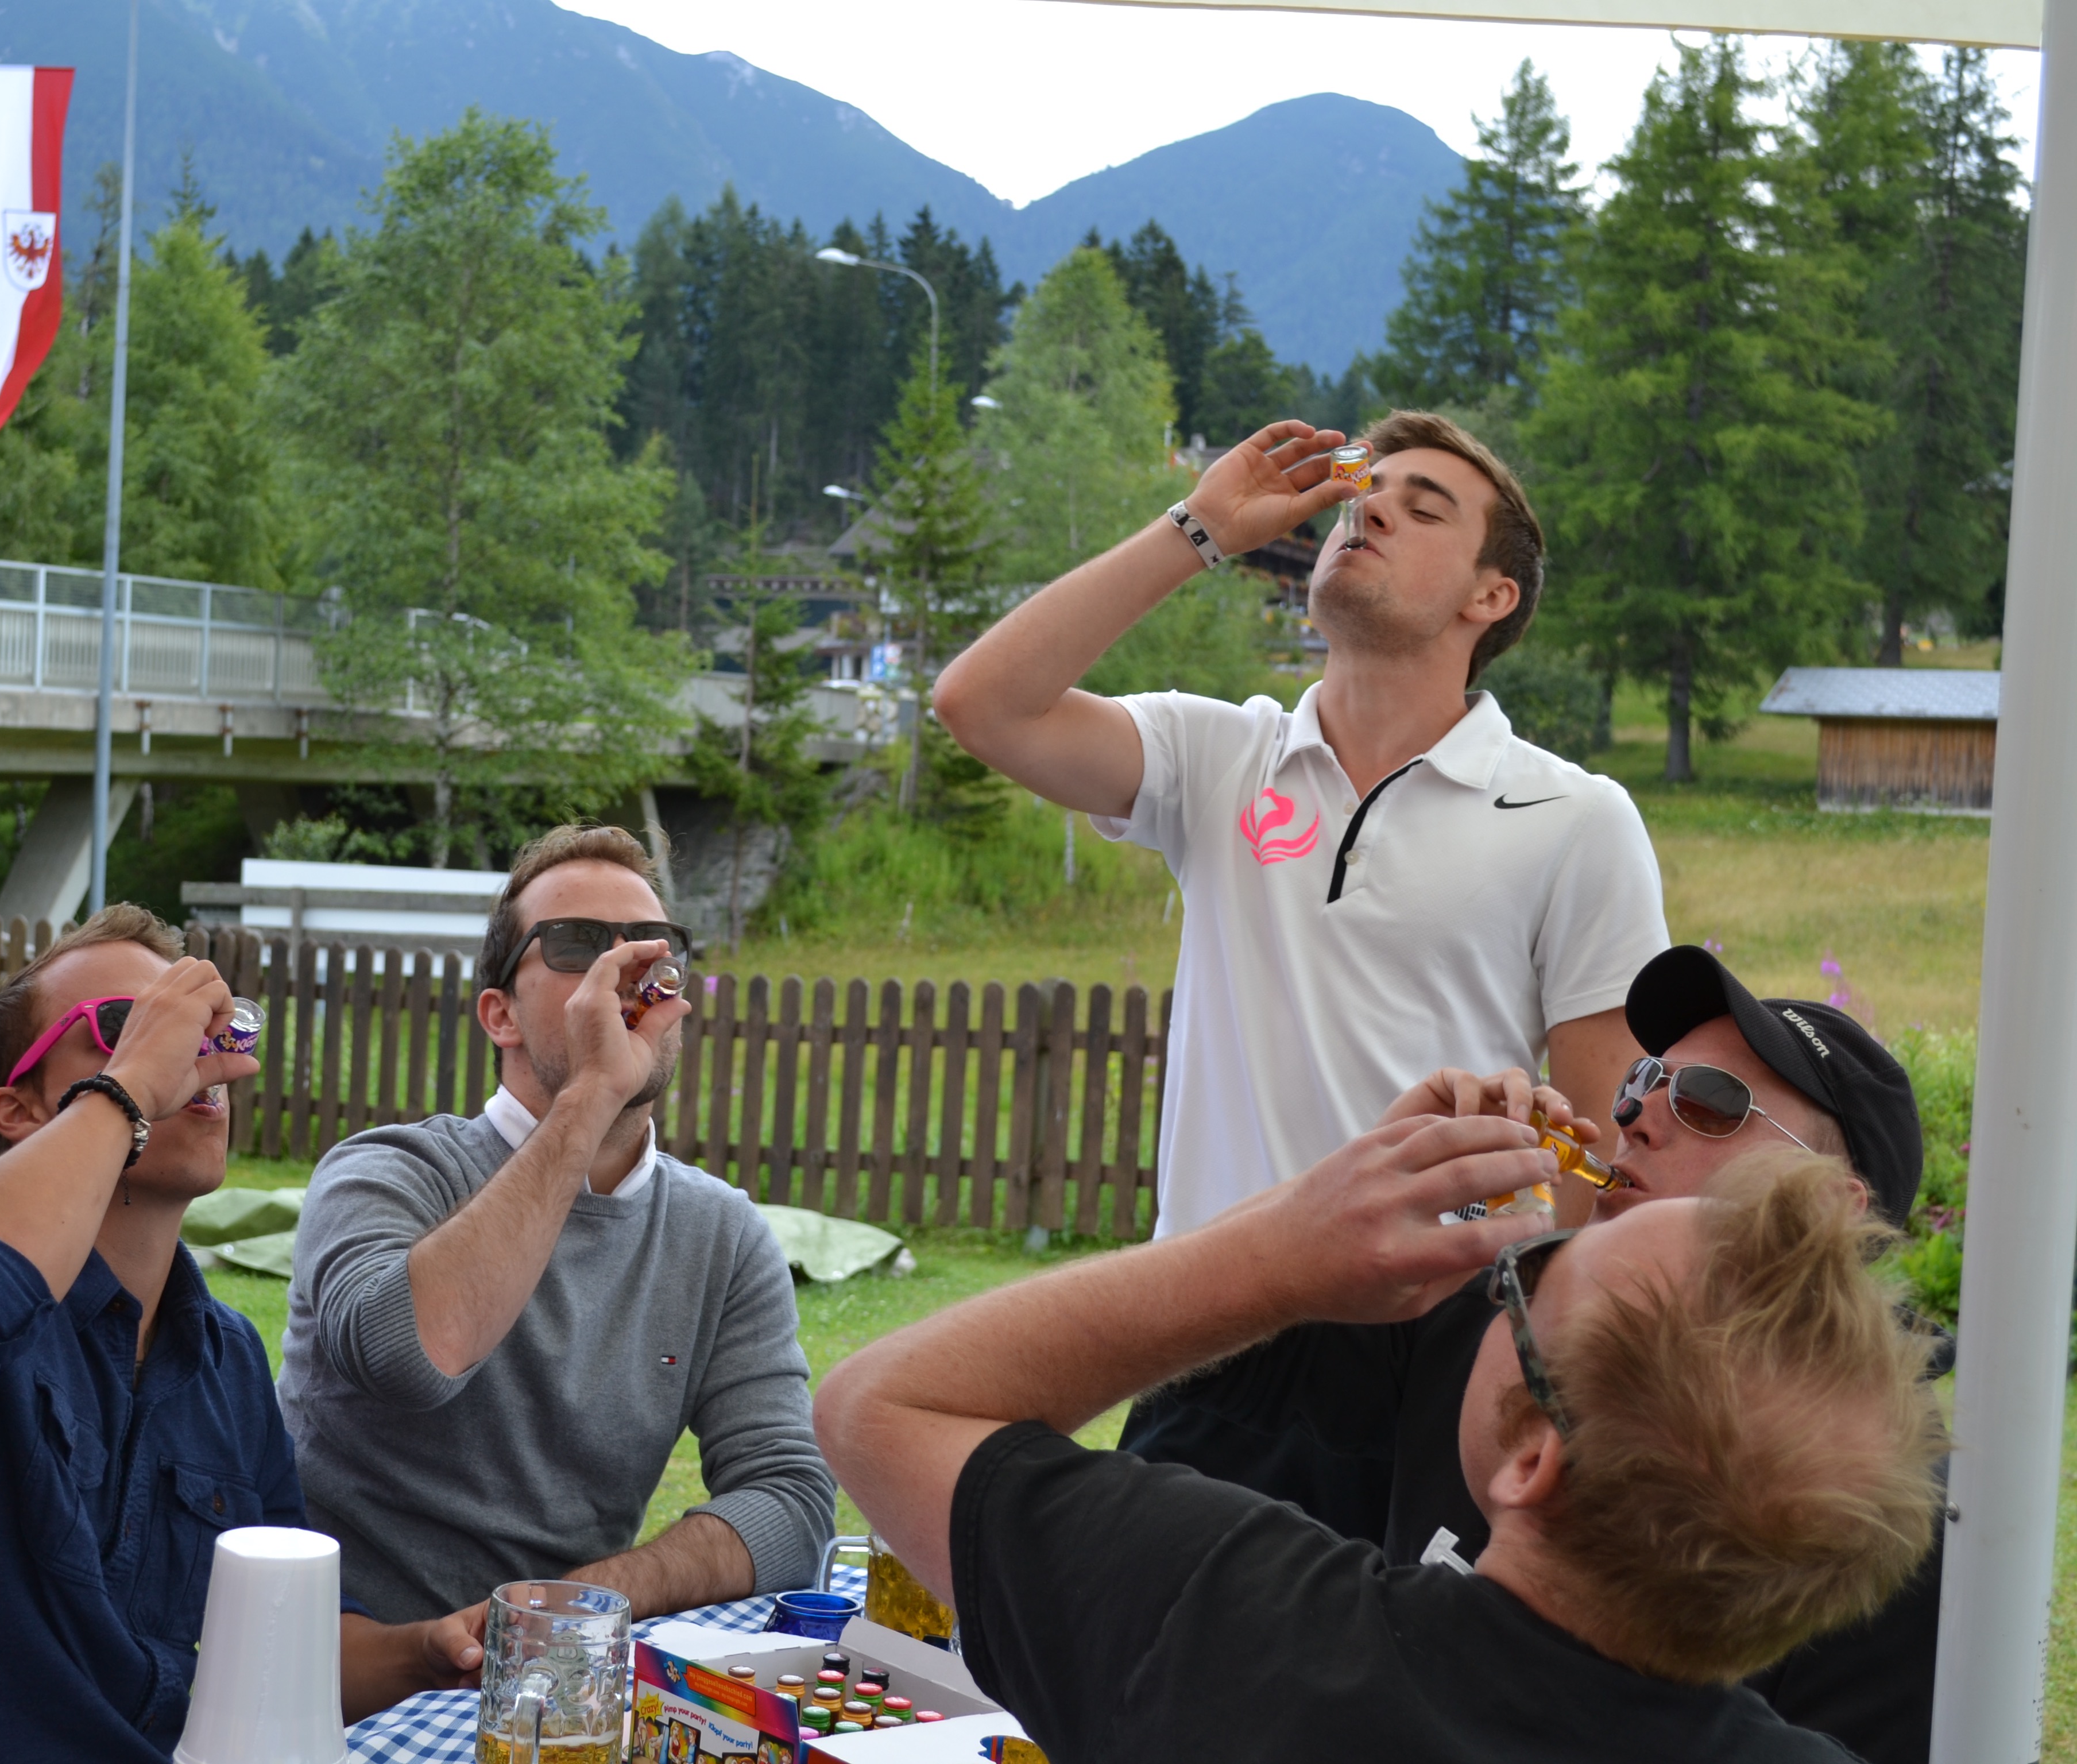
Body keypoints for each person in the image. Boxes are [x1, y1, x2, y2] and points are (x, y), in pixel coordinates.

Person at [814, 1094, 1949, 1763]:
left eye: (1536, 1271)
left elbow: (883, 1406)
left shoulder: (1239, 1624)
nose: (1513, 1262)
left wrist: (1278, 1257)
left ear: (1534, 1457)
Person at [1152, 942, 1943, 1763]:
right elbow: (1196, 1377)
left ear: (1834, 1212)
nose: (1634, 1115)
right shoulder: (1491, 1317)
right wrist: (1354, 1192)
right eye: (1643, 1082)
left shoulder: (1875, 1517)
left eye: (1711, 1101)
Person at [933, 409, 1669, 1239]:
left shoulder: (1578, 818)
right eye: (1364, 493)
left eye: (1424, 511)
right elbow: (980, 705)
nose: (1370, 510)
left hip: (1441, 1306)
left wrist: (1516, 1313)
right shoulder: (1215, 755)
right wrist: (1200, 528)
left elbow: (1598, 1139)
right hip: (1209, 1304)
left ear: (1491, 596)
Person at [0, 906, 482, 1763]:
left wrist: (428, 1651)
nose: (193, 1052)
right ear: (20, 1110)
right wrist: (129, 1091)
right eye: (129, 1025)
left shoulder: (226, 1357)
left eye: (202, 1025)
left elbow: (284, 1652)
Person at [282, 825, 836, 1622]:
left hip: (567, 1661)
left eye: (652, 946)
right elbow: (409, 1359)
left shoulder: (722, 1234)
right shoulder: (386, 1172)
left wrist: (577, 1606)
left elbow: (790, 1502)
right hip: (350, 1661)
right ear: (500, 1015)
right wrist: (591, 1095)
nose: (628, 970)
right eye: (579, 944)